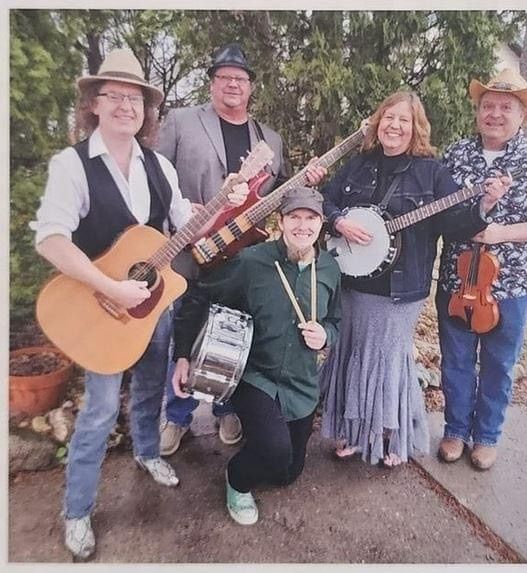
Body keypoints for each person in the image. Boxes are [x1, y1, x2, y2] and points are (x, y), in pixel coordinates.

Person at [32, 49, 248, 559]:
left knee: (151, 386)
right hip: (99, 311)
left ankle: (148, 453)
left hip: (151, 306)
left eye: (136, 98)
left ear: (146, 109)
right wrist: (110, 288)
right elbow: (51, 241)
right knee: (101, 412)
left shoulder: (158, 165)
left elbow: (185, 219)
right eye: (115, 96)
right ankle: (78, 511)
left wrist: (226, 199)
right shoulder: (73, 165)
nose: (127, 105)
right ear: (94, 103)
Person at [320, 91, 510, 468]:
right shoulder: (358, 165)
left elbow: (455, 224)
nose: (395, 125)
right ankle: (355, 432)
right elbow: (325, 199)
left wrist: (485, 206)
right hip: (352, 280)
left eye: (404, 120)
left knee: (387, 360)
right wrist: (338, 220)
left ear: (416, 128)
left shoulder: (432, 172)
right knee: (351, 353)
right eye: (389, 117)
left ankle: (389, 434)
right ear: (378, 122)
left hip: (400, 290)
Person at [157, 42, 326, 453]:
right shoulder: (180, 122)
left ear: (251, 87)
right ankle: (176, 415)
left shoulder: (269, 139)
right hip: (189, 248)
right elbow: (155, 179)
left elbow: (284, 194)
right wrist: (180, 213)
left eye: (241, 79)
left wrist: (310, 182)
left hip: (240, 255)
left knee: (235, 334)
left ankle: (226, 409)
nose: (233, 85)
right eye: (224, 78)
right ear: (212, 83)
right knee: (182, 328)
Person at [171, 187, 341, 525]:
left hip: (300, 382)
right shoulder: (252, 262)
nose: (302, 226)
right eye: (295, 217)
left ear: (322, 224)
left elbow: (335, 321)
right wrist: (183, 355)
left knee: (287, 473)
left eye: (311, 219)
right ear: (281, 221)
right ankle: (236, 477)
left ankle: (265, 442)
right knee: (275, 452)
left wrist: (326, 336)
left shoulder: (329, 270)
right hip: (254, 376)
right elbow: (199, 295)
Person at [436, 68, 527, 470]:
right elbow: (440, 210)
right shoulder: (456, 153)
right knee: (455, 359)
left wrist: (500, 233)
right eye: (487, 105)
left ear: (521, 114)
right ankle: (455, 430)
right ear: (478, 111)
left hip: (508, 286)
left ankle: (487, 435)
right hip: (456, 280)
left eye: (505, 107)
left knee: (498, 362)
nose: (494, 113)